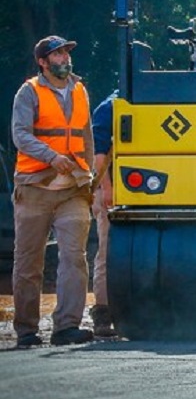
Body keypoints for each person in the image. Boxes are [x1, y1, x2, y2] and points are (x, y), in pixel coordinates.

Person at [10, 36, 95, 347]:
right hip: (34, 187)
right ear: (43, 63)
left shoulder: (80, 89)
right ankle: (27, 330)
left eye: (65, 53)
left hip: (73, 188)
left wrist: (89, 174)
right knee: (28, 262)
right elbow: (20, 135)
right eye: (56, 54)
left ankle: (66, 326)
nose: (63, 58)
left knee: (74, 257)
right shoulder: (28, 91)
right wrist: (51, 157)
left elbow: (85, 136)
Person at [88, 90, 117, 337]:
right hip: (111, 190)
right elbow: (99, 153)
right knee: (107, 252)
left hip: (132, 190)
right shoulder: (109, 107)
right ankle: (102, 314)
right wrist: (107, 189)